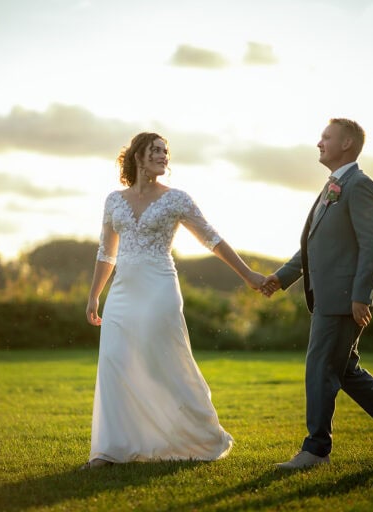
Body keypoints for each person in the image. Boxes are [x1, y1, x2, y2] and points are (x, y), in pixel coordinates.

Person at [82, 132, 265, 469]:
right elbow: (106, 253)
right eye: (156, 150)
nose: (164, 156)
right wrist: (95, 295)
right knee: (114, 358)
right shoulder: (113, 200)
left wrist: (248, 274)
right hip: (122, 291)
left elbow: (212, 238)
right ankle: (110, 450)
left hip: (159, 288)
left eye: (166, 152)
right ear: (138, 156)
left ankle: (199, 435)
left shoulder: (177, 199)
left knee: (159, 360)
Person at [260, 118, 373, 469]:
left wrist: (361, 295)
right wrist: (280, 278)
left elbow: (372, 245)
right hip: (328, 297)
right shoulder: (333, 186)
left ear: (347, 143)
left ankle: (316, 449)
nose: (319, 143)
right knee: (344, 369)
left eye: (326, 137)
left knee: (320, 367)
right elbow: (314, 246)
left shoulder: (361, 186)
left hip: (344, 300)